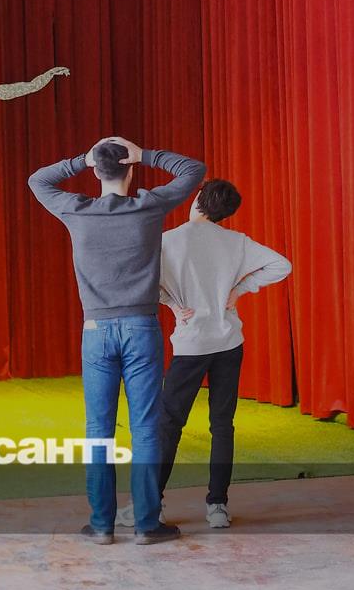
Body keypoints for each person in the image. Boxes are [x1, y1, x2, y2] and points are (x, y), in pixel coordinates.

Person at [28, 136, 205, 545]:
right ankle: (146, 524)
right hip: (142, 328)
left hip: (96, 331)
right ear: (130, 169)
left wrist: (80, 159)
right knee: (145, 429)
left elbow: (38, 180)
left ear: (96, 170)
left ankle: (102, 525)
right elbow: (194, 170)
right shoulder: (148, 205)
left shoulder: (77, 210)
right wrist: (146, 155)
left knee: (98, 430)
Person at [116, 178, 291, 529]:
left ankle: (150, 505)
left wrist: (172, 304)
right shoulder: (236, 242)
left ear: (197, 199)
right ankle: (217, 507)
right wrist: (240, 289)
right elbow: (281, 265)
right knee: (222, 425)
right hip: (228, 342)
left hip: (192, 344)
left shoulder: (168, 241)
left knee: (168, 425)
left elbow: (139, 278)